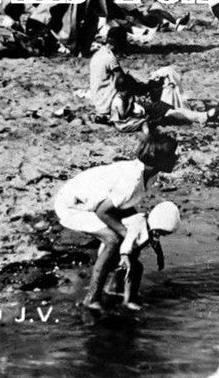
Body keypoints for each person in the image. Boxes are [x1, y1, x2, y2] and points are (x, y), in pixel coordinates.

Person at [53, 131, 179, 309]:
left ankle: (114, 285)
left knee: (133, 238)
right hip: (74, 206)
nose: (176, 158)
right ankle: (92, 298)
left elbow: (125, 204)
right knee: (113, 240)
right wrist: (124, 232)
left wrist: (135, 229)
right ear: (158, 160)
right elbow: (102, 211)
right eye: (171, 155)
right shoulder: (131, 181)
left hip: (96, 203)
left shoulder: (150, 174)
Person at [91, 25, 219, 131]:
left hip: (101, 104)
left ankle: (197, 115)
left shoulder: (98, 55)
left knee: (159, 107)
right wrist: (144, 87)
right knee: (161, 109)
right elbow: (121, 82)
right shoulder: (110, 58)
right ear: (118, 43)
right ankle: (202, 117)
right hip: (112, 106)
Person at [117, 200, 180, 310]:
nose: (160, 235)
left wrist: (160, 256)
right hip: (120, 249)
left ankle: (115, 288)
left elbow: (155, 242)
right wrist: (125, 256)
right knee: (136, 269)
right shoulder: (139, 223)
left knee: (128, 270)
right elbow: (128, 240)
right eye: (161, 232)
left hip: (128, 250)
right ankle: (128, 300)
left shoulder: (152, 226)